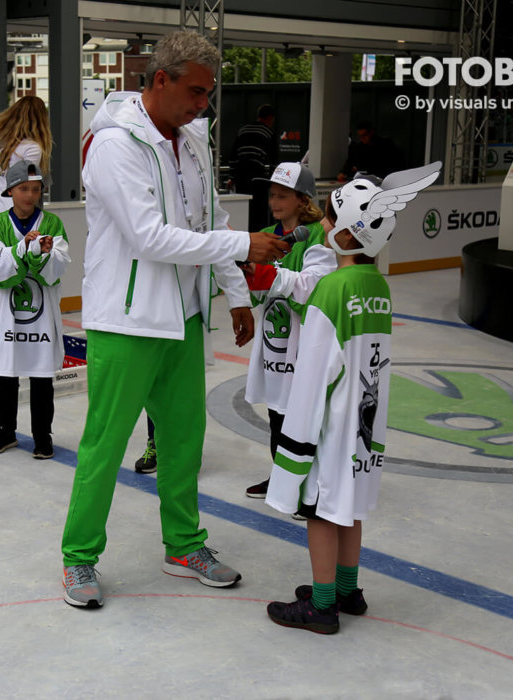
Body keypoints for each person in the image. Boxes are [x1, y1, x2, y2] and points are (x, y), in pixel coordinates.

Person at [60, 30, 289, 609]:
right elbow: (148, 237)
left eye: (208, 95)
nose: (202, 105)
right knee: (105, 446)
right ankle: (79, 558)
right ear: (159, 79)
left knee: (184, 442)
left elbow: (209, 216)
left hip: (184, 318)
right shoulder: (115, 145)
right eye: (195, 91)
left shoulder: (192, 142)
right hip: (126, 321)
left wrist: (236, 292)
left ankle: (184, 545)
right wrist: (243, 244)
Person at [264, 163, 441, 634]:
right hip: (364, 428)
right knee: (350, 507)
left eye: (328, 218)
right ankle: (348, 590)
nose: (322, 223)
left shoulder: (332, 290)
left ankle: (322, 606)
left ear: (344, 233)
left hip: (331, 426)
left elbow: (314, 376)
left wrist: (294, 445)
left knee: (320, 512)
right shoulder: (376, 285)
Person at [241, 162, 336, 500]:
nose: (275, 201)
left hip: (302, 343)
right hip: (274, 342)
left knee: (303, 416)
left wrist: (266, 277)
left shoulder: (316, 237)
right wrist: (247, 277)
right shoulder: (267, 234)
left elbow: (312, 289)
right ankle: (281, 478)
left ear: (302, 199)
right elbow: (257, 294)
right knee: (277, 415)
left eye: (282, 195)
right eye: (271, 195)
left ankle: (307, 488)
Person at [0, 160, 70, 459]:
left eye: (35, 189)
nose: (30, 195)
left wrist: (40, 253)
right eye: (23, 189)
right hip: (9, 315)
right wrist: (23, 249)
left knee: (42, 377)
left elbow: (57, 268)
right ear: (10, 191)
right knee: (7, 375)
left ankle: (42, 436)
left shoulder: (52, 224)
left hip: (41, 318)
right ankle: (5, 431)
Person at [0, 96, 53, 341]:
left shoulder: (9, 143)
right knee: (14, 270)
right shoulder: (33, 148)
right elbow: (26, 186)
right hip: (10, 211)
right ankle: (4, 330)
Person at [229, 104, 278, 231]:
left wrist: (231, 177)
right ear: (270, 118)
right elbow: (274, 160)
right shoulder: (269, 132)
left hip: (240, 174)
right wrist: (273, 179)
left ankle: (242, 231)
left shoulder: (243, 130)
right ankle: (257, 233)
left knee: (243, 204)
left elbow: (233, 155)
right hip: (257, 174)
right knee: (259, 208)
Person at [337, 121, 405, 182]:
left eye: (364, 135)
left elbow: (397, 161)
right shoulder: (359, 147)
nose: (362, 138)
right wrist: (343, 172)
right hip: (367, 179)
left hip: (385, 178)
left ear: (371, 132)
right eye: (360, 136)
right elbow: (350, 161)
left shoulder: (386, 144)